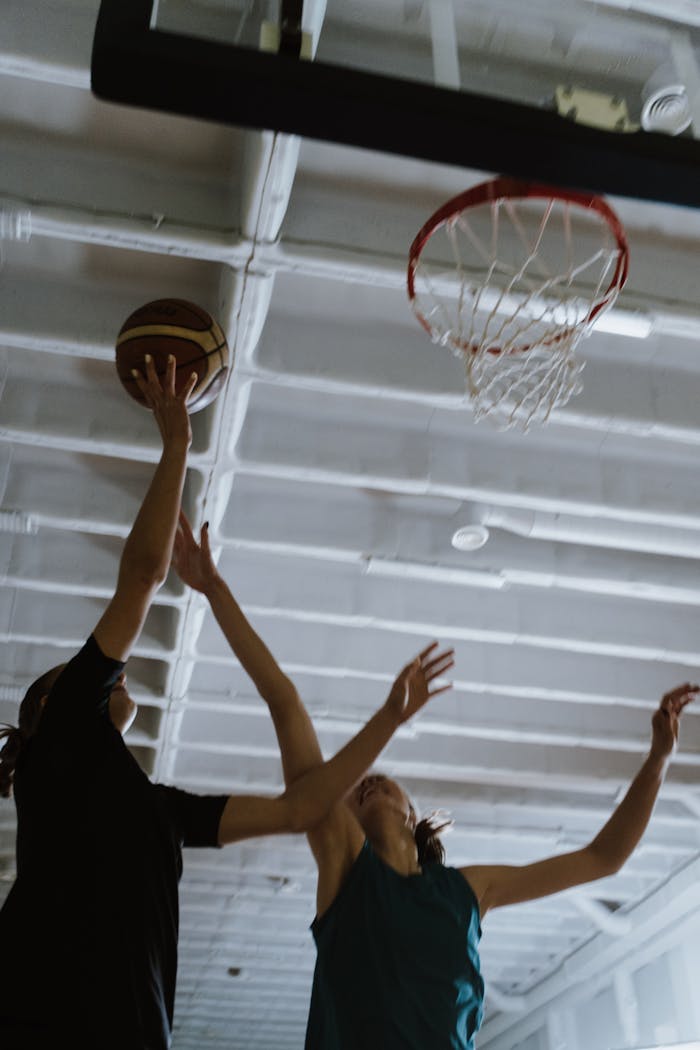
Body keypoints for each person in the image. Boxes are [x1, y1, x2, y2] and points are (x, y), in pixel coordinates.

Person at [0, 356, 451, 1050]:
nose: (109, 676)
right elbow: (145, 574)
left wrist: (389, 719)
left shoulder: (158, 811)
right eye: (79, 672)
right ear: (50, 706)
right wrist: (178, 440)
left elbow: (303, 807)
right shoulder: (63, 731)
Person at [168, 517, 698, 1049]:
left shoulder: (467, 890)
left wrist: (659, 757)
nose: (366, 785)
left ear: (412, 812)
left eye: (382, 783)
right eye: (357, 788)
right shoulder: (344, 863)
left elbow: (603, 858)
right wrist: (215, 590)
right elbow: (285, 704)